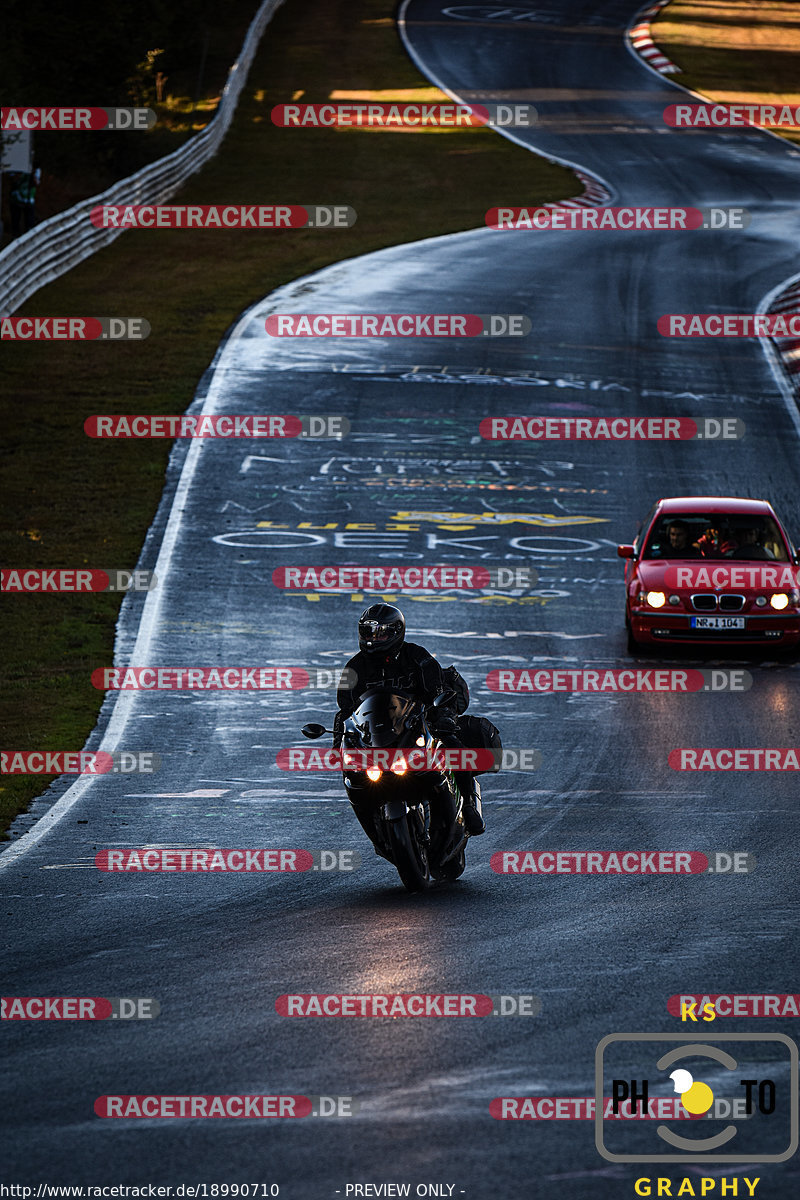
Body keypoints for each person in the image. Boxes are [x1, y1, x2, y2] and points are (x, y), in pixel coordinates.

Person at [335, 603, 486, 835]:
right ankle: (374, 827)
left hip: (415, 726)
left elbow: (437, 691)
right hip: (377, 735)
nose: (374, 639)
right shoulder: (354, 668)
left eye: (381, 633)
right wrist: (340, 743)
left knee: (452, 744)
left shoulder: (416, 656)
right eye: (368, 633)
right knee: (352, 775)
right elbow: (346, 710)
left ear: (397, 632)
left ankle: (468, 805)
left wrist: (443, 715)